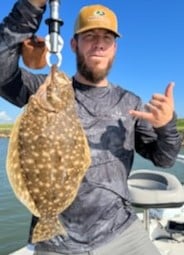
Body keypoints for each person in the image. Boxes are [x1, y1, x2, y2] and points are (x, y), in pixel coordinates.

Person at [0, 1, 182, 255]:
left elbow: (164, 159)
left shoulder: (129, 103)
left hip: (122, 232)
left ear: (114, 48)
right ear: (74, 44)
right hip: (56, 240)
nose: (99, 43)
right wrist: (30, 8)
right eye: (90, 36)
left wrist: (166, 127)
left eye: (106, 37)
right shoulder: (46, 90)